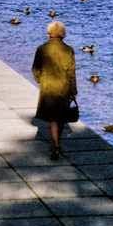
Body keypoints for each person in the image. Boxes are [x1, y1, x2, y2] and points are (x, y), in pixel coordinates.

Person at [31, 21, 78, 160]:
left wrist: (41, 80)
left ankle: (55, 145)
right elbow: (71, 72)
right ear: (63, 34)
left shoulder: (42, 49)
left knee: (52, 118)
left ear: (49, 33)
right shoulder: (68, 50)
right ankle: (57, 143)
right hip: (63, 88)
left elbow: (35, 69)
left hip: (48, 88)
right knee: (61, 117)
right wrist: (73, 90)